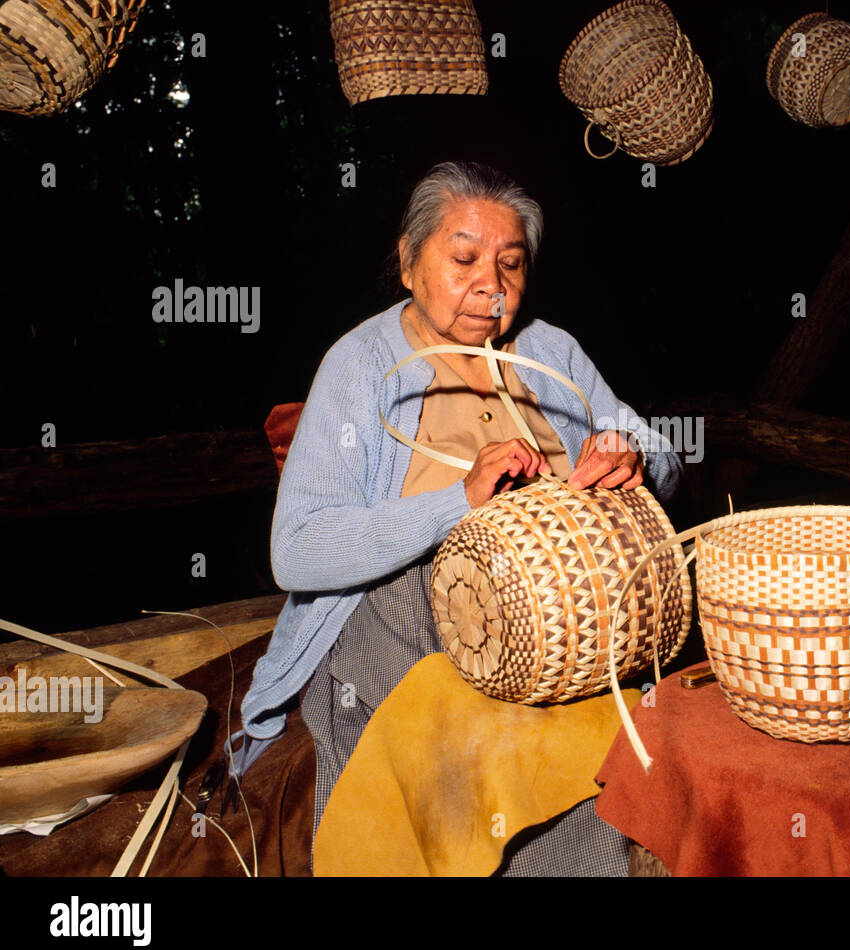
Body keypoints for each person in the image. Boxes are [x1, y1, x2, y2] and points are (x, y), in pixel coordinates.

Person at [238, 161, 682, 873]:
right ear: (409, 263)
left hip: (570, 621)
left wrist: (633, 456)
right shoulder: (361, 365)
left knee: (642, 727)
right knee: (490, 730)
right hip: (406, 617)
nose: (492, 283)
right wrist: (458, 504)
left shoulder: (549, 350)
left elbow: (659, 449)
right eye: (464, 258)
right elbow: (295, 550)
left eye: (511, 263)